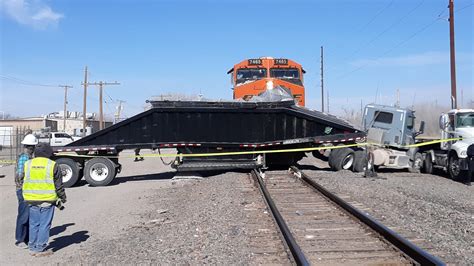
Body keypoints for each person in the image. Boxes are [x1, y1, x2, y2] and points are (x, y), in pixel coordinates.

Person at [23, 142, 66, 256]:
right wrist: (62, 197)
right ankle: (40, 248)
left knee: (34, 224)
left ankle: (32, 246)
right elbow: (59, 184)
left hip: (31, 199)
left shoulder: (28, 164)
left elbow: (23, 179)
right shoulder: (52, 165)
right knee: (44, 224)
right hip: (47, 199)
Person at [14, 134, 38, 249]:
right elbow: (20, 175)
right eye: (32, 146)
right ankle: (20, 239)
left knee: (29, 214)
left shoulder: (29, 157)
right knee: (24, 215)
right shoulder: (25, 157)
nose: (33, 148)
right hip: (23, 189)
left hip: (27, 189)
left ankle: (26, 238)